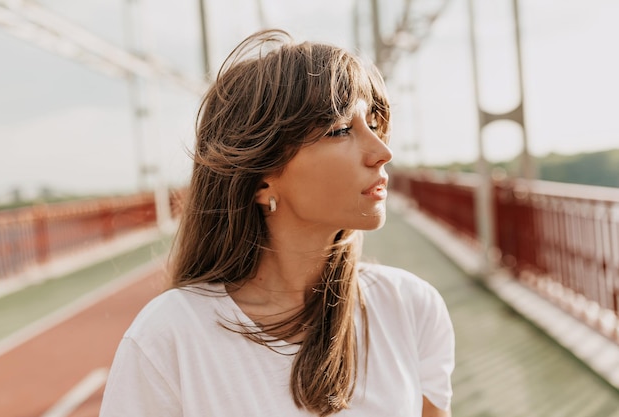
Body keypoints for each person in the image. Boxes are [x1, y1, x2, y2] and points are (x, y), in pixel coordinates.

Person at [99, 29, 455, 417]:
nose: (382, 152)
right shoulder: (168, 337)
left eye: (373, 123)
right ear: (261, 177)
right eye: (340, 130)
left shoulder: (410, 307)